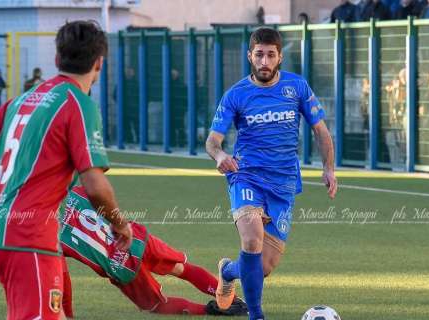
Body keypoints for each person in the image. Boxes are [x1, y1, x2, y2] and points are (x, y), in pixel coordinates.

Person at [0, 21, 133, 320]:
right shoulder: (78, 104)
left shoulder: (23, 99)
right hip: (28, 234)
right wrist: (120, 224)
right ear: (99, 63)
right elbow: (95, 185)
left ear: (57, 59)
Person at [206, 27, 338, 320]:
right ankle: (257, 315)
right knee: (251, 239)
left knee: (262, 267)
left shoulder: (297, 87)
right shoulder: (236, 94)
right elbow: (212, 140)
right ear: (250, 56)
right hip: (246, 176)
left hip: (283, 184)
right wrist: (220, 154)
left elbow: (321, 131)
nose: (264, 61)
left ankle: (228, 270)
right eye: (259, 55)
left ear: (279, 57)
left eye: (270, 55)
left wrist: (329, 169)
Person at [60, 185, 248, 317]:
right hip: (135, 238)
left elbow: (62, 276)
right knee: (181, 269)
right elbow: (99, 185)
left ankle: (211, 310)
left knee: (158, 305)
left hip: (119, 266)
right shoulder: (74, 191)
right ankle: (236, 301)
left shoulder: (46, 235)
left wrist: (66, 314)